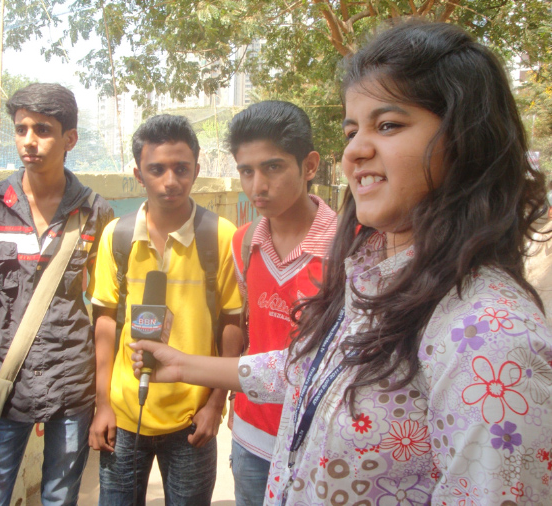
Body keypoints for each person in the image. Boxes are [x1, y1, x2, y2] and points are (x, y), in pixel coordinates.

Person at [130, 21, 552, 505]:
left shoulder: (489, 337)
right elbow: (311, 371)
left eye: (388, 125)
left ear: (466, 138)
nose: (355, 151)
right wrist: (185, 365)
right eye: (352, 131)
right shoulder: (369, 271)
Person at [0, 83, 114, 505]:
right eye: (21, 129)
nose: (29, 141)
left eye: (43, 130)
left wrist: (107, 399)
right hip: (2, 386)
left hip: (72, 384)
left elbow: (108, 310)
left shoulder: (95, 213)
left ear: (70, 138)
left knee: (59, 496)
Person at [87, 114, 243, 505]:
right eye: (156, 169)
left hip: (193, 419)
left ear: (197, 170)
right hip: (124, 417)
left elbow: (233, 322)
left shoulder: (220, 236)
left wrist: (215, 404)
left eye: (181, 168)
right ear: (138, 175)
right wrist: (102, 404)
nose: (170, 181)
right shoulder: (117, 236)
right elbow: (105, 322)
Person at [227, 101, 338, 505]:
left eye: (272, 167)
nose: (257, 186)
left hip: (319, 440)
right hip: (251, 435)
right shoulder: (242, 243)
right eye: (246, 171)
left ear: (309, 166)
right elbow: (250, 328)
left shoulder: (350, 247)